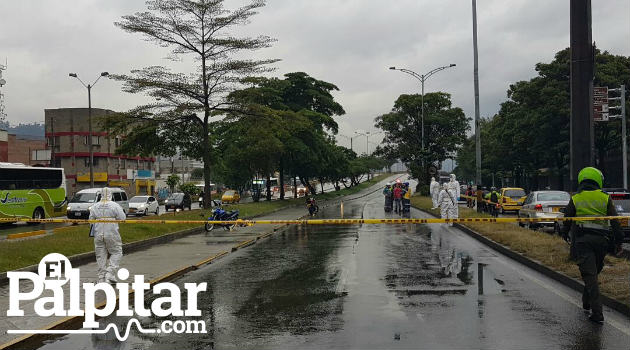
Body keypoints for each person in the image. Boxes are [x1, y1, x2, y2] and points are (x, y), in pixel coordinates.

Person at [561, 167, 623, 324]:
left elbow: (567, 217)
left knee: (590, 275)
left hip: (583, 241)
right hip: (602, 242)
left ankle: (597, 314)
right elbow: (615, 220)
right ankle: (587, 303)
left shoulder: (576, 198)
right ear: (598, 180)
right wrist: (619, 241)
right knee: (593, 273)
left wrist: (564, 233)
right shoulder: (605, 197)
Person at [90, 187, 127, 284]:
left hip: (98, 233)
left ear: (100, 195)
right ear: (111, 195)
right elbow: (122, 218)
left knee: (100, 255)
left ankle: (101, 278)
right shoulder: (114, 205)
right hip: (111, 232)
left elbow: (90, 221)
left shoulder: (94, 206)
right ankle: (110, 273)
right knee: (117, 252)